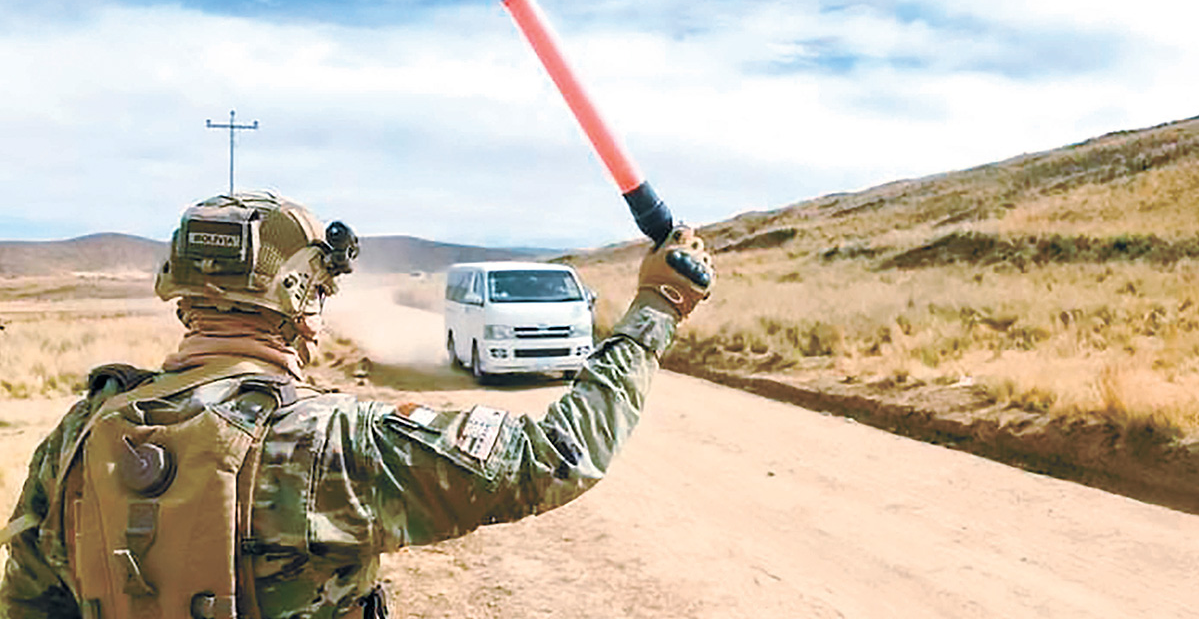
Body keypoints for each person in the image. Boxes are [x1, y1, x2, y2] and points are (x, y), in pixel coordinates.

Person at [0, 190, 714, 618]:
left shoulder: (82, 433)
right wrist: (659, 304)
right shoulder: (334, 441)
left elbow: (29, 600)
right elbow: (558, 455)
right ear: (299, 299)